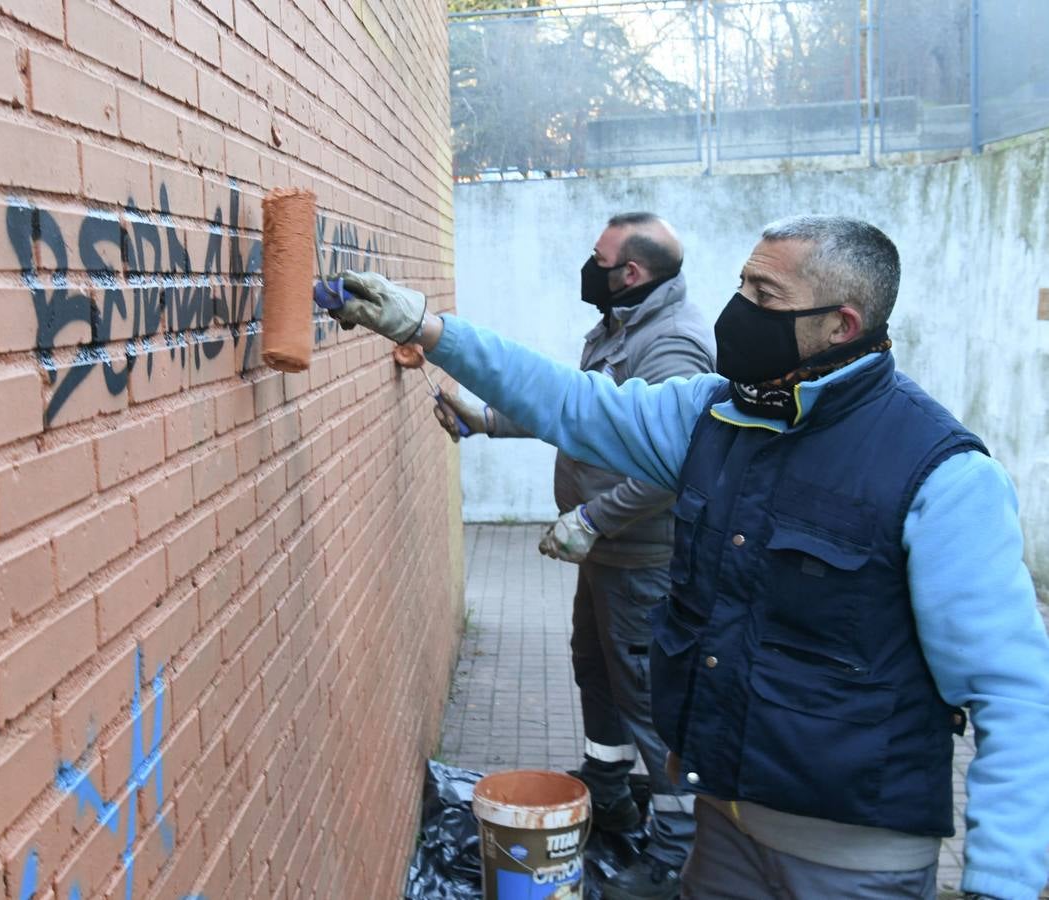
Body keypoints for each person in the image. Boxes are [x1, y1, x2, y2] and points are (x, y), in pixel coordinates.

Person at [329, 216, 1049, 900]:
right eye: (741, 284)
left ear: (841, 324)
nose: (736, 309)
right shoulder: (716, 416)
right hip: (724, 831)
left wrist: (1001, 880)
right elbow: (572, 404)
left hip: (855, 864)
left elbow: (1012, 693)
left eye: (763, 296)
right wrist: (425, 328)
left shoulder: (938, 474)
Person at [434, 212, 712, 899]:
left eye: (598, 257)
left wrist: (592, 517)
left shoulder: (671, 346)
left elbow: (669, 466)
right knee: (595, 669)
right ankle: (609, 790)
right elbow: (580, 411)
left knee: (647, 697)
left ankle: (675, 855)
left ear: (632, 272)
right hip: (607, 555)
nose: (588, 266)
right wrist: (488, 419)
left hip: (642, 558)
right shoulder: (620, 325)